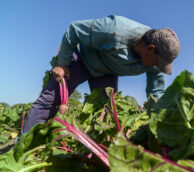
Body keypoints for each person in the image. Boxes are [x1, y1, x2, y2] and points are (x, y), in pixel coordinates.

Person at [21, 14, 180, 135]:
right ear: (151, 49)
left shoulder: (153, 65)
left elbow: (157, 93)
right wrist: (62, 64)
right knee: (49, 100)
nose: (158, 67)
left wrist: (161, 116)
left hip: (107, 73)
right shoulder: (115, 30)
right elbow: (74, 29)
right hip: (82, 60)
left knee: (106, 113)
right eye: (158, 62)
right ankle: (23, 145)